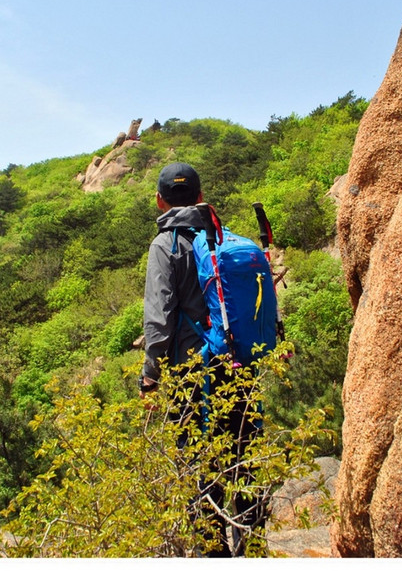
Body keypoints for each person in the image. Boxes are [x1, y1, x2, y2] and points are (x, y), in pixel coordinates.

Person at [138, 163, 261, 557]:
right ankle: (253, 548)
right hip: (237, 363)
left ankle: (214, 555)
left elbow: (158, 319)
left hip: (193, 373)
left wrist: (150, 377)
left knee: (199, 464)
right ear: (200, 193)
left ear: (160, 201)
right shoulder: (218, 235)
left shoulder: (166, 245)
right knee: (243, 455)